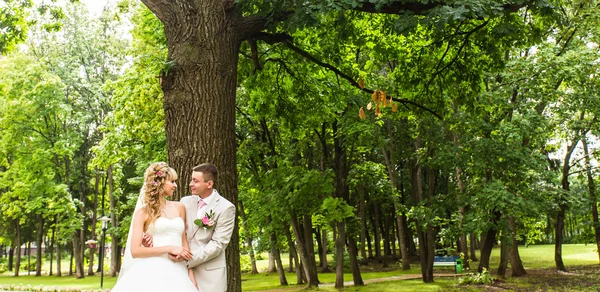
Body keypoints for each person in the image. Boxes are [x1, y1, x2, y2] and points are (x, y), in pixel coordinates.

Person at [111, 162, 199, 292]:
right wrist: (169, 248)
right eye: (172, 181)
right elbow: (135, 251)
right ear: (160, 183)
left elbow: (184, 242)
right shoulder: (143, 213)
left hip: (179, 271)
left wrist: (191, 274)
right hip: (153, 268)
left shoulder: (179, 207)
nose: (175, 185)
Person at [179, 163, 236, 292]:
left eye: (195, 181)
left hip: (210, 275)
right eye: (191, 179)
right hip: (182, 271)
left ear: (209, 184)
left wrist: (187, 259)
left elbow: (218, 244)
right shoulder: (184, 202)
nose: (190, 184)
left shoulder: (226, 207)